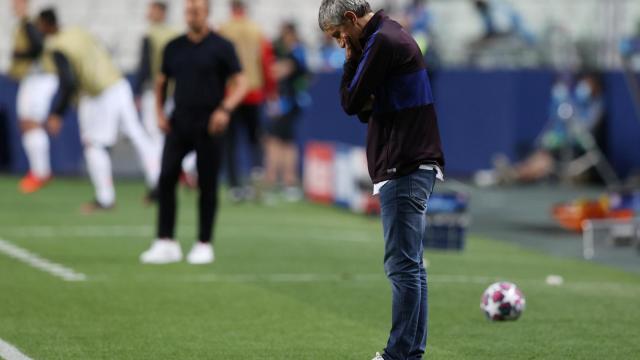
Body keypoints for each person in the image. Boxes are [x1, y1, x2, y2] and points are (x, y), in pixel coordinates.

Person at [319, 1, 445, 359]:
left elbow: (350, 101)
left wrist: (349, 61)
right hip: (410, 162)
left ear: (350, 18)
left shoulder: (383, 41)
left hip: (403, 164)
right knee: (411, 265)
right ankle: (410, 352)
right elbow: (359, 106)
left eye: (340, 35)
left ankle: (399, 355)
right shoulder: (388, 36)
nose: (342, 44)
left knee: (402, 265)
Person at [139, 0, 248, 265]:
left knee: (207, 184)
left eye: (197, 11)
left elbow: (241, 82)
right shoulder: (174, 47)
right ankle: (165, 241)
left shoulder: (222, 46)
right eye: (189, 11)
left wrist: (225, 109)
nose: (192, 15)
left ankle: (203, 243)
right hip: (179, 122)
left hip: (210, 123)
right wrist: (159, 112)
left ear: (207, 12)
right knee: (166, 177)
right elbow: (162, 80)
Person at [36, 8, 161, 213]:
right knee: (138, 135)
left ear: (45, 25)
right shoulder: (78, 31)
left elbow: (68, 82)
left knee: (93, 144)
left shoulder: (57, 46)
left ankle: (105, 197)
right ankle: (158, 184)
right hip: (117, 82)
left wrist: (57, 114)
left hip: (97, 93)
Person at [132, 1, 196, 196]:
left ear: (160, 11)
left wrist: (137, 92)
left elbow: (145, 67)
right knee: (172, 134)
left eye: (152, 8)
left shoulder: (150, 35)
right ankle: (184, 168)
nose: (148, 12)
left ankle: (159, 179)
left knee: (154, 135)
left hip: (156, 91)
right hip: (176, 91)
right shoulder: (175, 34)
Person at [219, 0, 277, 202]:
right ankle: (256, 182)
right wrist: (270, 90)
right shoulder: (256, 30)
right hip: (253, 91)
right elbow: (266, 62)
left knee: (230, 141)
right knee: (254, 140)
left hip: (231, 93)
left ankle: (235, 186)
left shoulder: (223, 30)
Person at [10, 0, 58, 194]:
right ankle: (38, 171)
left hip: (41, 77)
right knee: (26, 123)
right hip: (33, 78)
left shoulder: (29, 24)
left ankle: (41, 172)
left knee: (33, 123)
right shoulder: (25, 25)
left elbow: (38, 47)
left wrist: (20, 55)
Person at [263, 22, 309, 202]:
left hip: (289, 105)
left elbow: (279, 71)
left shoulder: (296, 52)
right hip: (285, 104)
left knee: (281, 142)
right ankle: (279, 180)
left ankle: (284, 180)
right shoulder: (292, 52)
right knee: (279, 141)